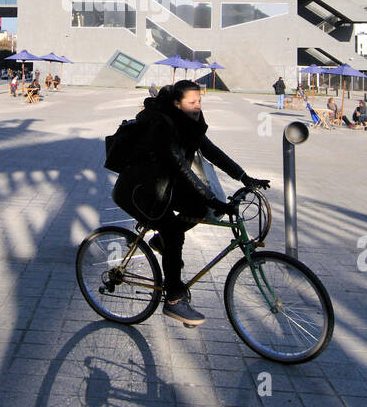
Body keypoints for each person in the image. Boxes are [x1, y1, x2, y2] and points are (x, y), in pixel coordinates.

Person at [112, 80, 269, 327]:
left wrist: (244, 177)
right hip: (139, 190)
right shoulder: (163, 125)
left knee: (199, 209)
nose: (197, 107)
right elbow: (181, 167)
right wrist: (213, 198)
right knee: (174, 232)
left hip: (163, 186)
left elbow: (211, 151)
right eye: (191, 102)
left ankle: (159, 241)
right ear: (177, 103)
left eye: (199, 102)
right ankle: (174, 300)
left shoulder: (189, 123)